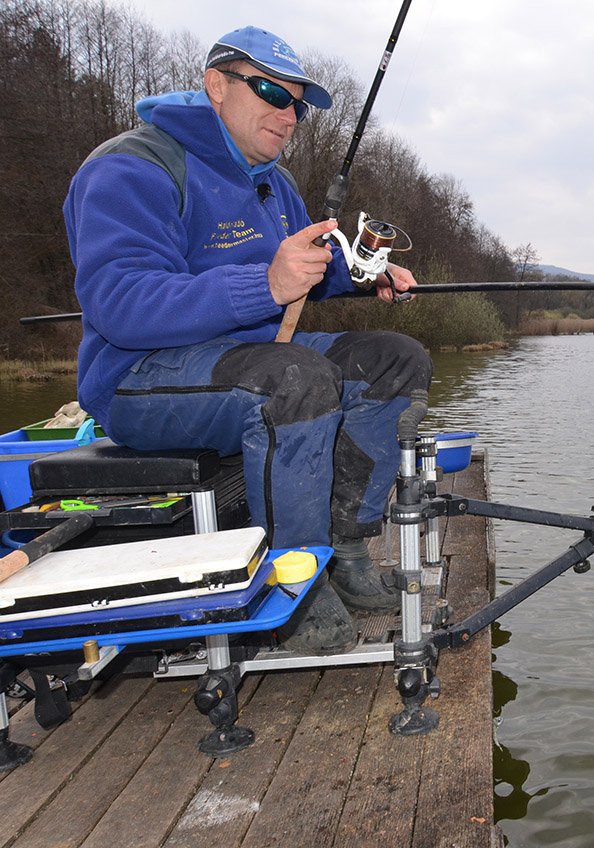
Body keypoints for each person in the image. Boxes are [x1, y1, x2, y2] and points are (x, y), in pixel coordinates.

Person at [62, 26, 434, 654]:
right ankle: (288, 583)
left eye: (296, 103)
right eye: (269, 91)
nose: (286, 114)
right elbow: (120, 304)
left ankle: (343, 551)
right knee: (295, 381)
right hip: (138, 380)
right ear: (216, 85)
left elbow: (300, 268)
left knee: (396, 362)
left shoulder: (272, 181)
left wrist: (358, 275)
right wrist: (265, 283)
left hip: (249, 363)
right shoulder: (131, 167)